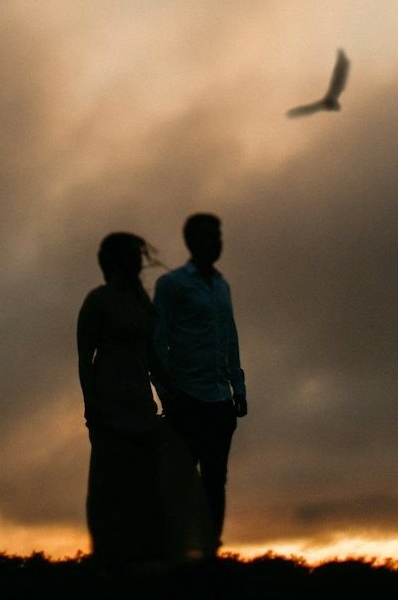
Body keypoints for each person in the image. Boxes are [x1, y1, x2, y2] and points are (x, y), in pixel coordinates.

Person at [77, 232, 211, 568]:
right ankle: (116, 559)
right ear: (119, 260)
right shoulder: (99, 301)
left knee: (158, 475)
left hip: (141, 402)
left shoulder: (140, 304)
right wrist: (92, 408)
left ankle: (160, 555)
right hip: (110, 403)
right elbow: (84, 358)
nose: (139, 260)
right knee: (115, 481)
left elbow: (151, 356)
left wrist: (171, 393)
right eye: (133, 254)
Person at [153, 212, 247, 553]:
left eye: (218, 236)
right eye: (208, 236)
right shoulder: (172, 285)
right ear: (192, 241)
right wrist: (168, 394)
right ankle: (171, 555)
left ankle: (209, 556)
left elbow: (230, 337)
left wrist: (239, 387)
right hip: (186, 398)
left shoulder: (222, 286)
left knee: (214, 483)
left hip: (220, 401)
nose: (216, 243)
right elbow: (157, 339)